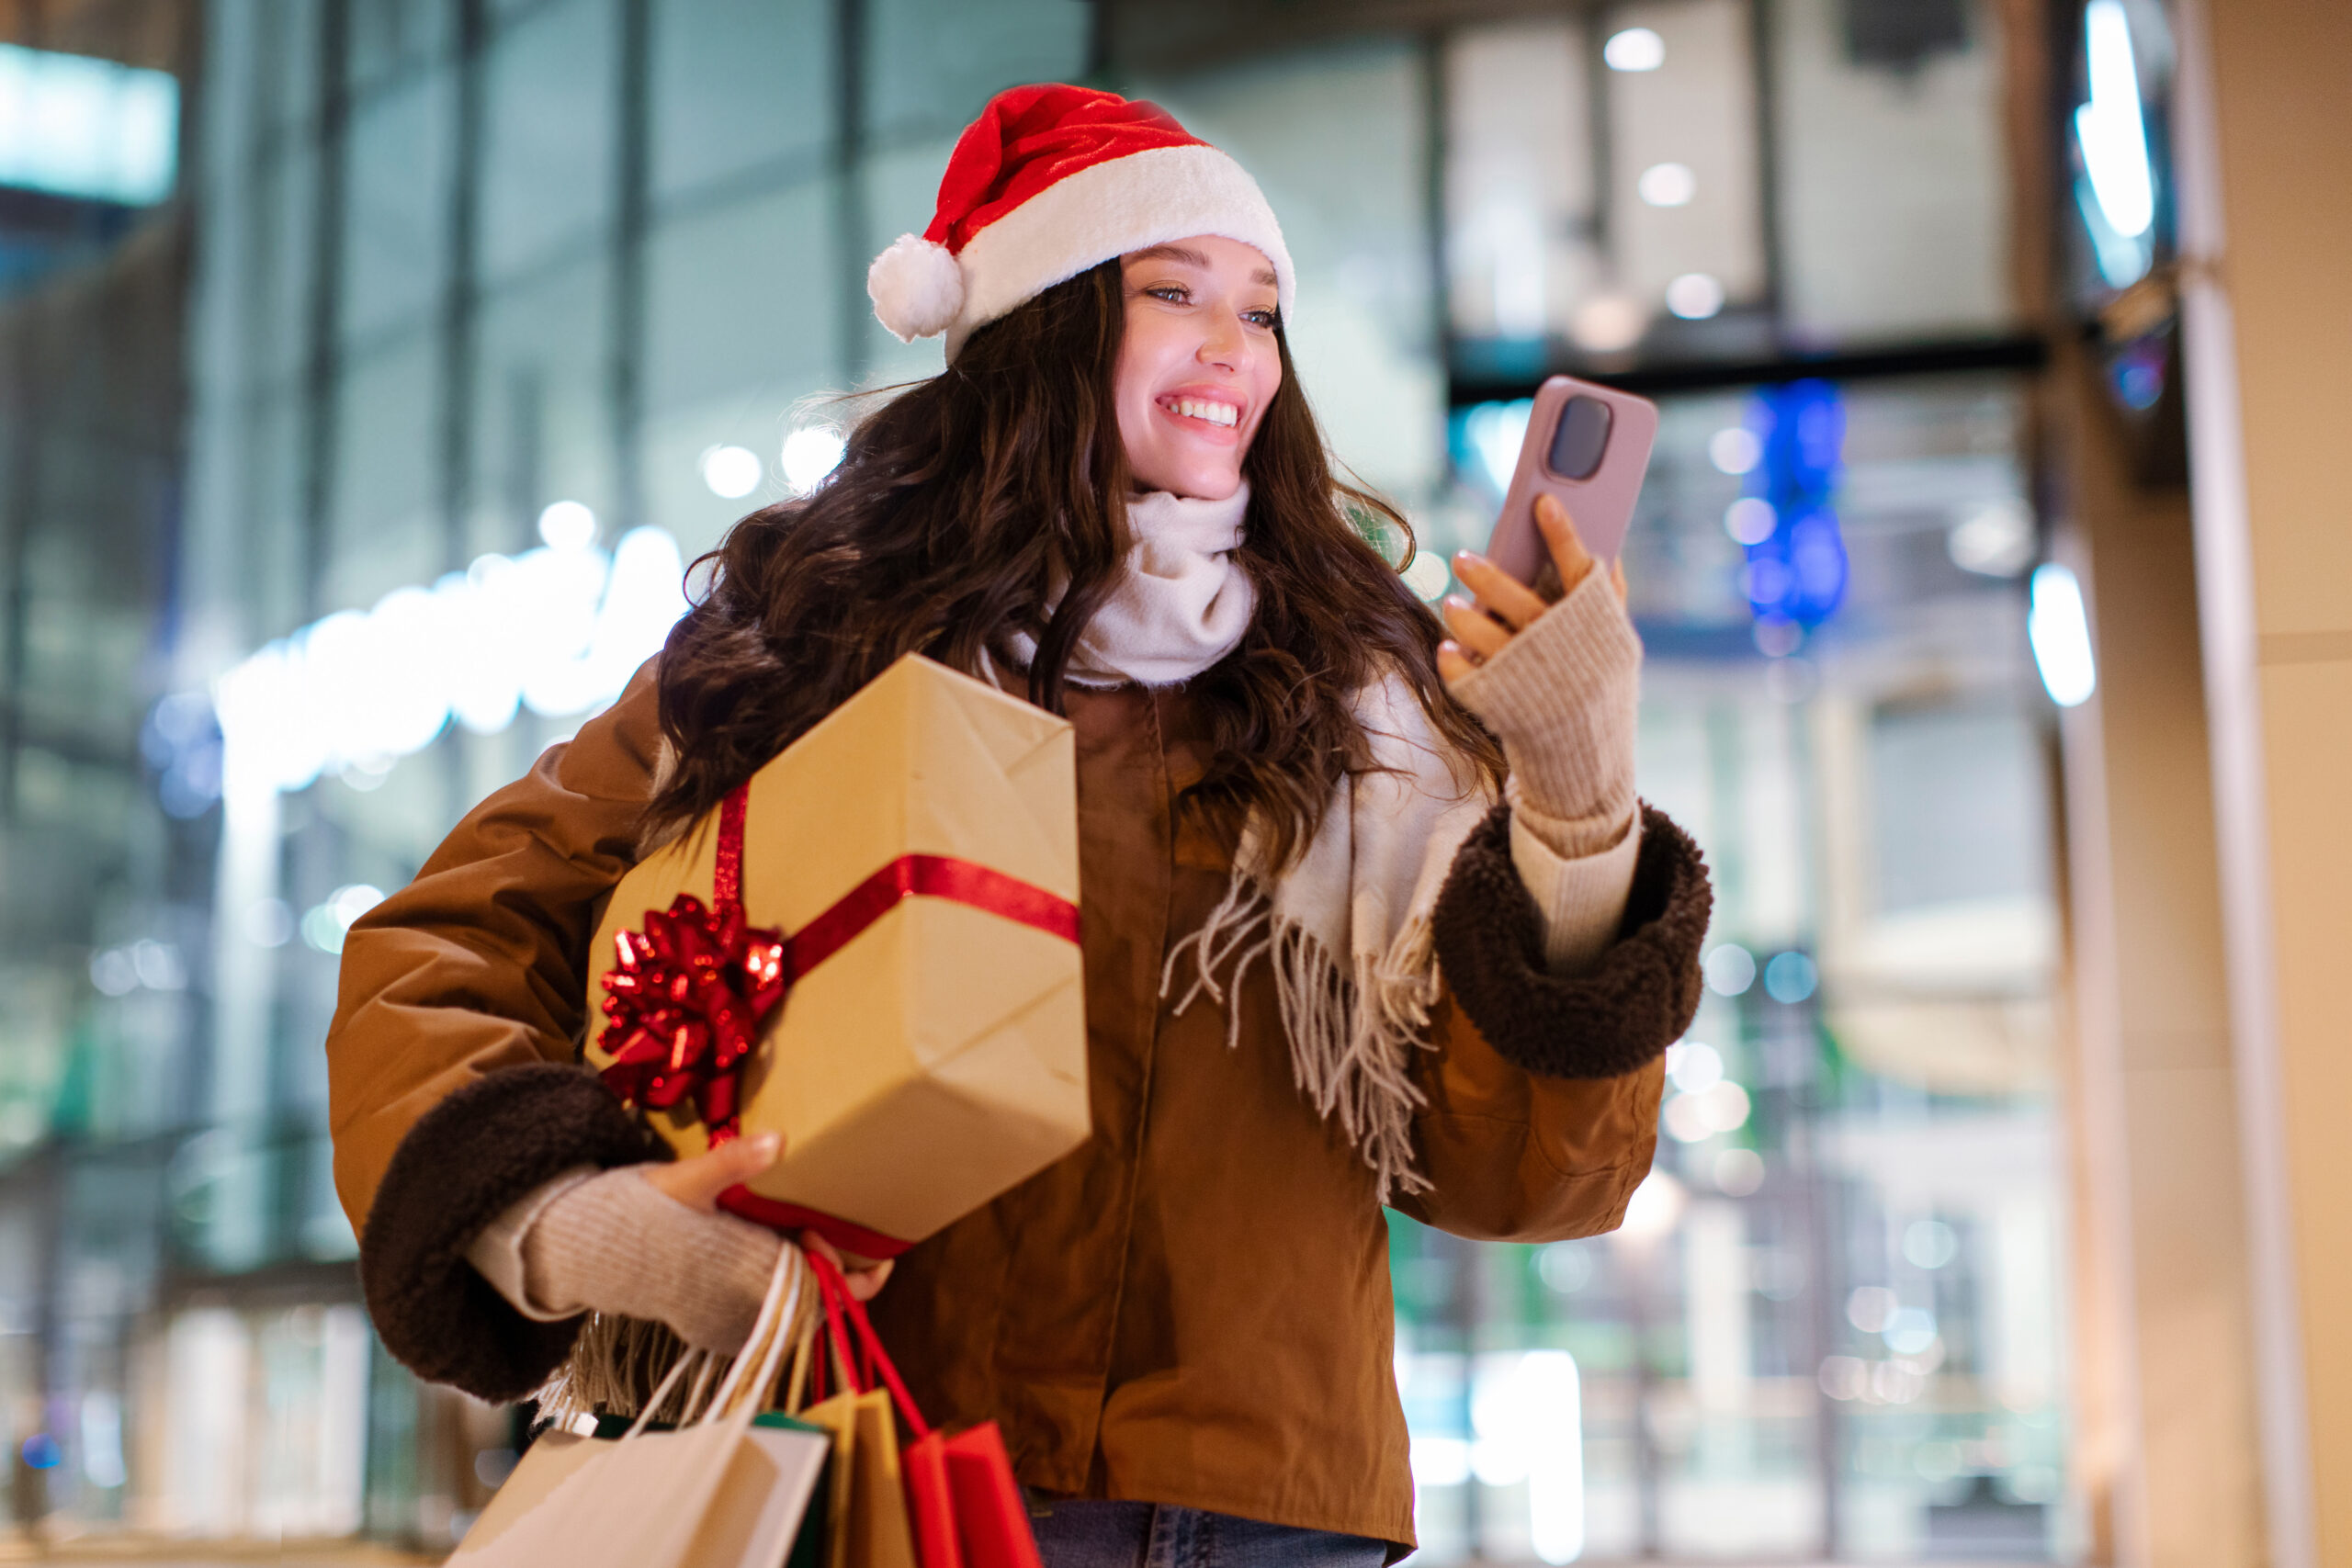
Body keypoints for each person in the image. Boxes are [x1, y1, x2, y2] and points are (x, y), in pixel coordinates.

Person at [328, 84, 1709, 1565]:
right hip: (871, 1484)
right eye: (1172, 292)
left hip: (1274, 1520)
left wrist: (1574, 803)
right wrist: (574, 1225)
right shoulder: (800, 657)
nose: (1233, 351)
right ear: (1044, 327)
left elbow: (1527, 1181)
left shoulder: (1363, 707)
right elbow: (442, 946)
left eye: (1262, 311)